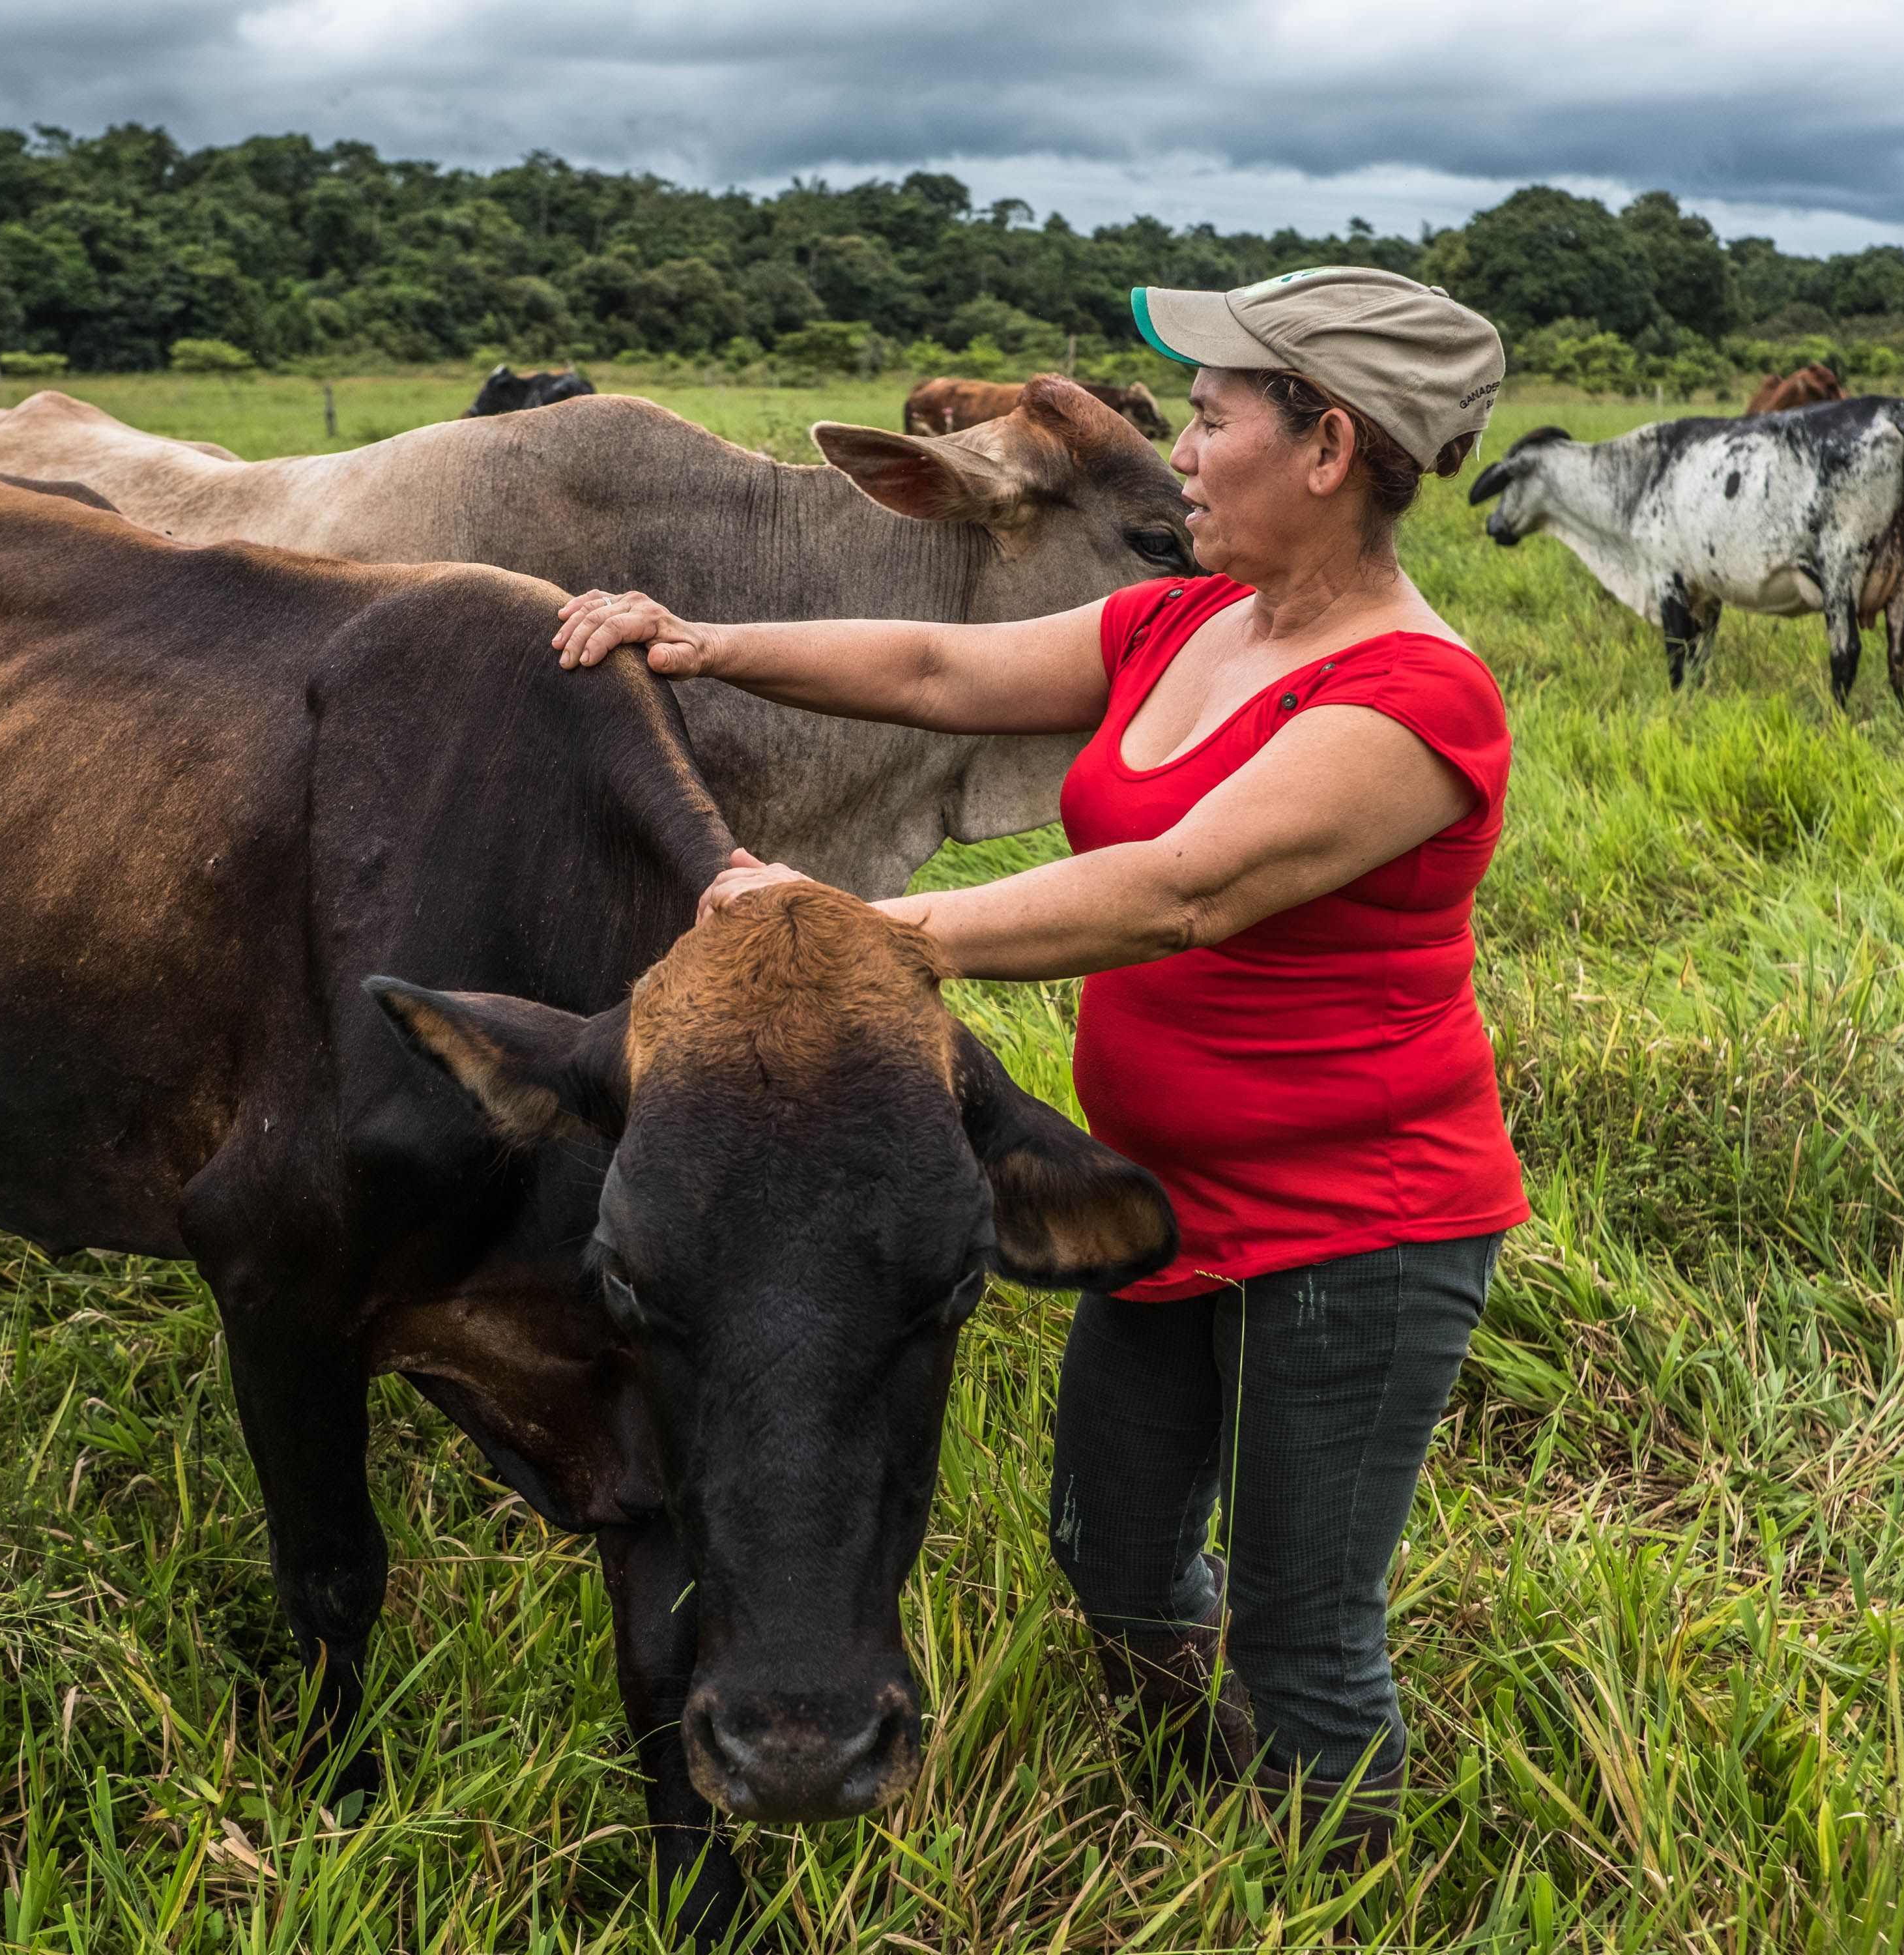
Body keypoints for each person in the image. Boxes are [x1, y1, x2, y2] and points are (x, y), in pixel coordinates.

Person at [551, 266, 1527, 1865]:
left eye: (1210, 423)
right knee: (1116, 1555)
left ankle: (1324, 1873)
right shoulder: (1187, 620)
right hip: (1156, 1196)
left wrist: (834, 933)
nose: (1188, 456)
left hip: (1365, 1229)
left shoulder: (1414, 699)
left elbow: (1182, 888)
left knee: (1309, 1634)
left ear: (1330, 448)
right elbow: (941, 671)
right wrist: (702, 641)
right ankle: (1195, 1794)